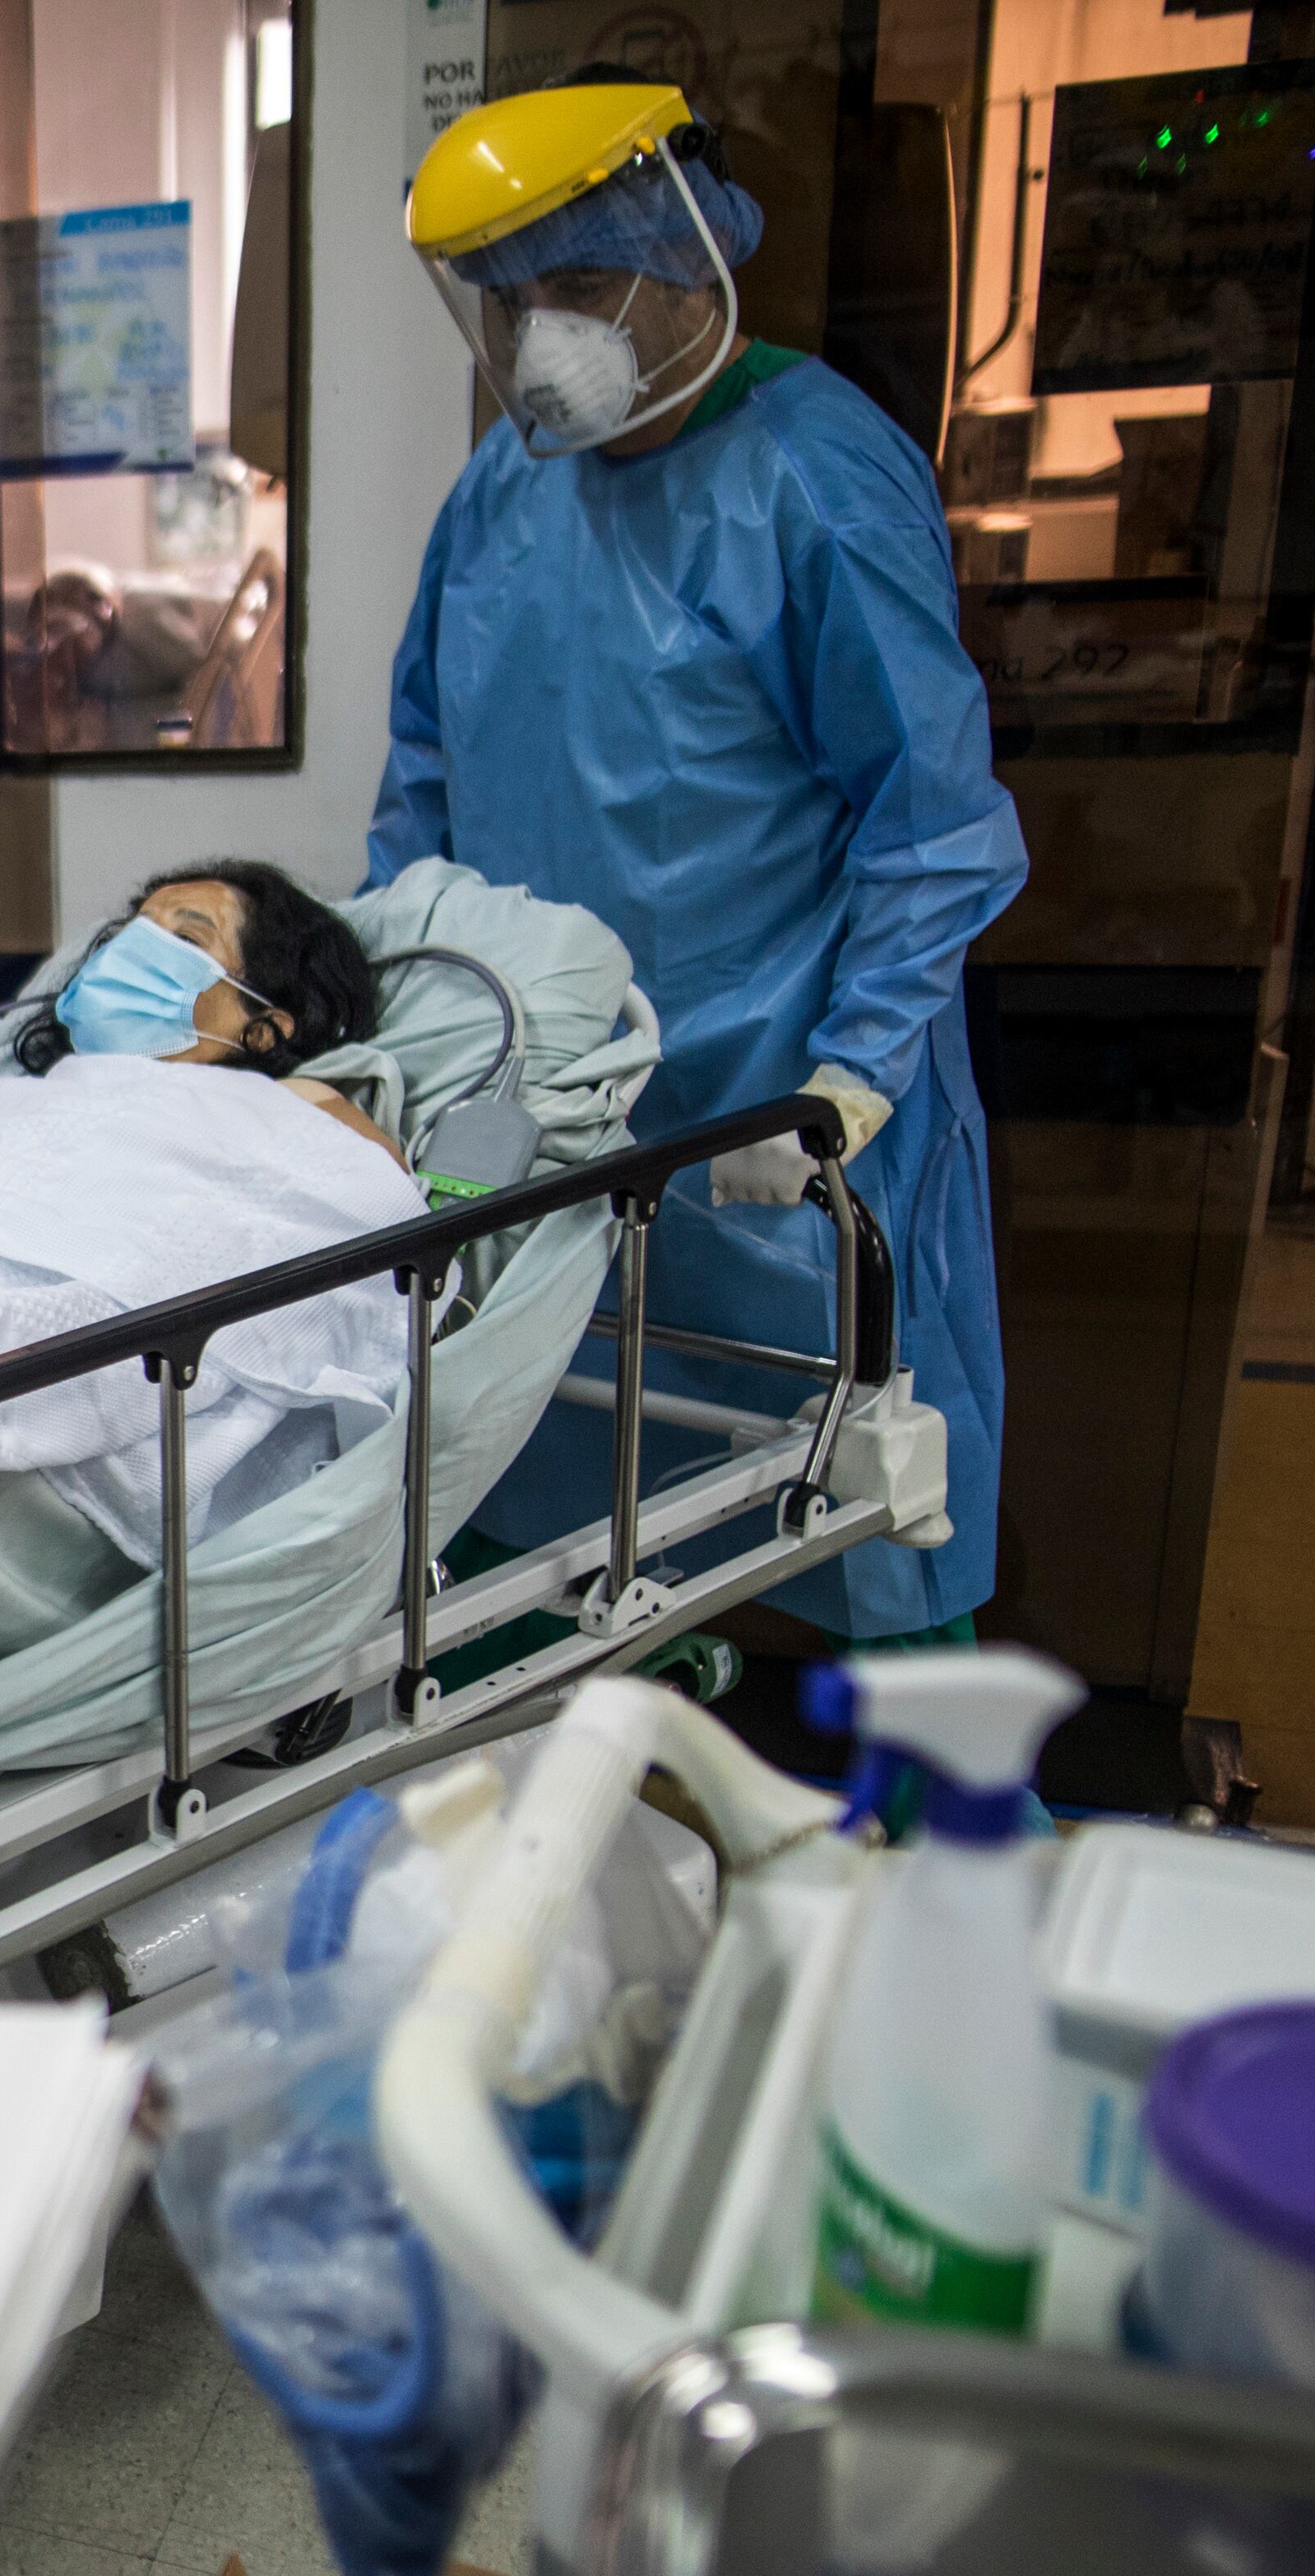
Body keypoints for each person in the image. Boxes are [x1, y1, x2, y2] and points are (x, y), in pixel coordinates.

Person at [374, 72, 1025, 1639]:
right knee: (548, 1514)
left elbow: (930, 822)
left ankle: (889, 1815)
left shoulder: (813, 473)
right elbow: (423, 796)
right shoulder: (498, 496)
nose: (545, 337)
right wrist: (401, 1028)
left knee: (844, 1491)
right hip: (558, 1117)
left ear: (691, 253)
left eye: (582, 286)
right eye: (513, 301)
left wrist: (854, 1075)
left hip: (781, 1120)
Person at [12, 863, 397, 1161]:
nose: (129, 954)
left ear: (266, 1030)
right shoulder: (16, 1098)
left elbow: (388, 1200)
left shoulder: (288, 1101)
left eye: (185, 940)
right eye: (133, 933)